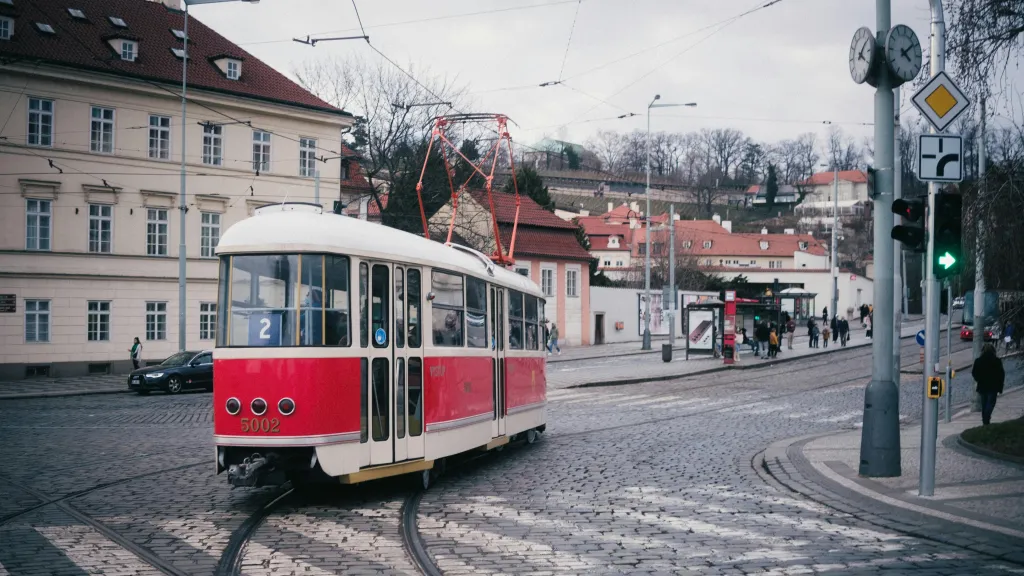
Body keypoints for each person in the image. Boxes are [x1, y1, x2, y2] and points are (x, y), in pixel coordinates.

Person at [971, 343, 1005, 426]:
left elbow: (974, 373)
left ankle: (985, 421)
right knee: (991, 403)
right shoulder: (996, 361)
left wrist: (979, 379)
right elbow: (1001, 374)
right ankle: (986, 418)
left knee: (984, 404)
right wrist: (1000, 386)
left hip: (983, 386)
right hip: (993, 386)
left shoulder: (978, 361)